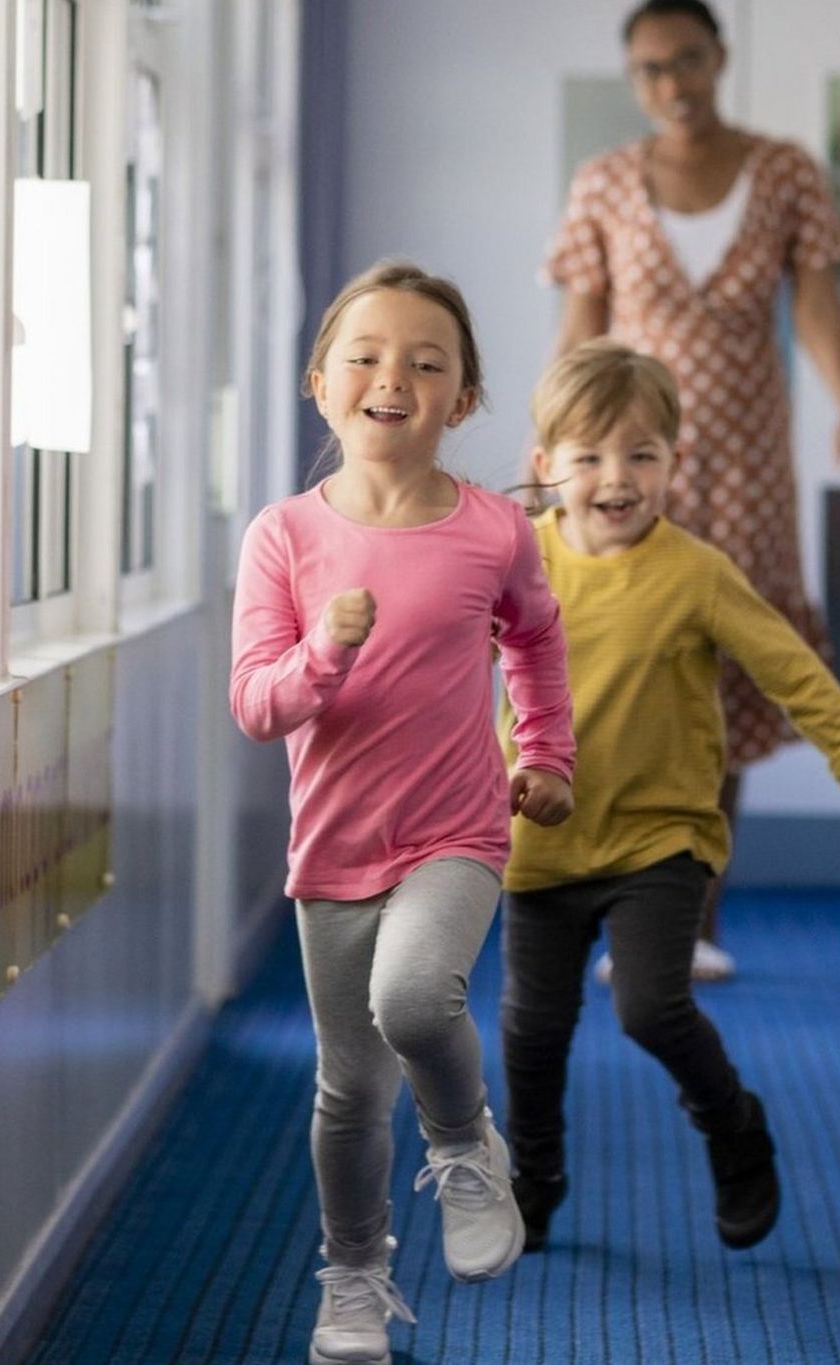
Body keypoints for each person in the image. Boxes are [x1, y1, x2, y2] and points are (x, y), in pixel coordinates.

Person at [230, 261, 576, 1365]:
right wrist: (322, 652)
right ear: (319, 383)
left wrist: (546, 753)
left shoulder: (491, 532)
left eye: (427, 364)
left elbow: (534, 640)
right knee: (346, 1093)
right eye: (367, 358)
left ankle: (467, 1144)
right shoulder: (281, 537)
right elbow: (252, 703)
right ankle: (354, 1277)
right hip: (332, 850)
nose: (395, 379)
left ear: (461, 400)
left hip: (457, 834)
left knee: (417, 1002)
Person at [497, 340, 840, 1255]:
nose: (617, 476)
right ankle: (535, 1174)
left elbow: (791, 669)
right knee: (531, 1029)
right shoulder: (517, 567)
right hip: (538, 842)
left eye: (643, 454)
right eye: (590, 455)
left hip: (660, 841)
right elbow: (442, 674)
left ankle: (732, 1124)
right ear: (546, 465)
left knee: (650, 1008)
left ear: (676, 463)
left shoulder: (694, 571)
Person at [546, 0, 840, 980]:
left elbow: (816, 305)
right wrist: (546, 436)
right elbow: (580, 323)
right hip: (622, 465)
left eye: (686, 61)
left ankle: (690, 923)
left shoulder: (783, 172)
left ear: (718, 57)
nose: (671, 85)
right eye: (649, 71)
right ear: (633, 80)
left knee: (724, 679)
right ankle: (612, 905)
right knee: (619, 666)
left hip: (745, 464)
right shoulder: (603, 183)